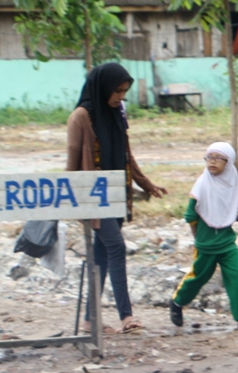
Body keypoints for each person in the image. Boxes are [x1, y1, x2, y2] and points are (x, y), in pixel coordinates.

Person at [67, 62, 167, 334]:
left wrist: (145, 184)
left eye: (124, 92)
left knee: (101, 255)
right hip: (93, 198)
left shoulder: (116, 112)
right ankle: (127, 316)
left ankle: (89, 320)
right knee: (116, 247)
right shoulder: (80, 117)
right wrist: (74, 205)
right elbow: (72, 165)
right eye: (117, 91)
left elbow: (126, 154)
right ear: (102, 88)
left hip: (117, 195)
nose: (120, 97)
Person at [169, 142, 238, 330]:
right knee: (198, 277)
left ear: (229, 162)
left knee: (237, 277)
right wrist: (199, 238)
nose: (213, 162)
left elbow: (226, 211)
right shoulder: (202, 184)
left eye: (219, 158)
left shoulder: (230, 183)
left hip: (226, 243)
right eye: (209, 157)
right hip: (206, 245)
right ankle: (177, 303)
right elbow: (191, 215)